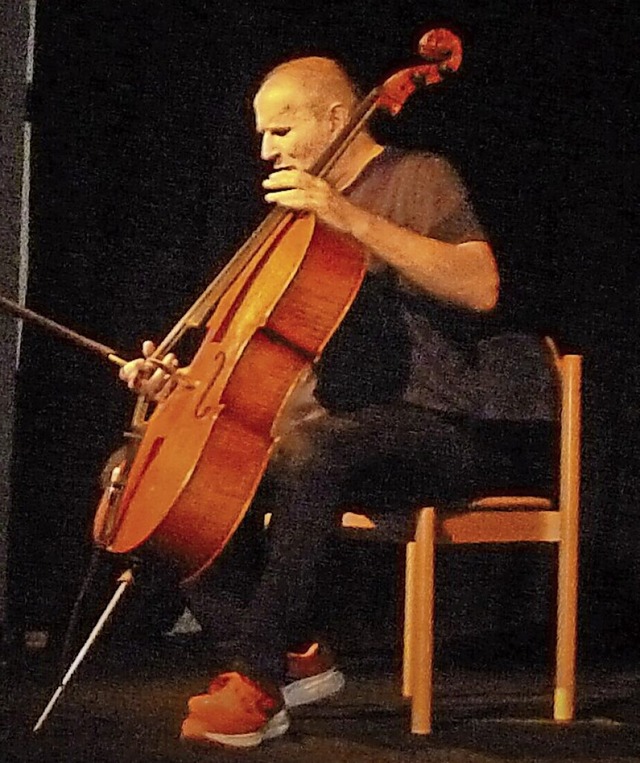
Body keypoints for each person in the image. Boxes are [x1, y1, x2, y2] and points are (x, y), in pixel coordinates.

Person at [120, 56, 555, 748]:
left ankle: (259, 681)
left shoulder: (418, 176)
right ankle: (294, 651)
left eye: (281, 130)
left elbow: (480, 286)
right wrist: (183, 380)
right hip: (329, 434)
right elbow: (265, 344)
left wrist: (349, 216)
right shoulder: (291, 218)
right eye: (261, 135)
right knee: (146, 472)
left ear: (333, 116)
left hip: (438, 423)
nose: (266, 151)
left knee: (318, 447)